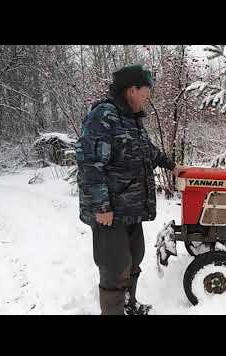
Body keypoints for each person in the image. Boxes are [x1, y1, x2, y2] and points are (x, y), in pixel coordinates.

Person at [75, 64, 185, 315]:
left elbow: (147, 149)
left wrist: (172, 166)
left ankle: (129, 306)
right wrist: (102, 207)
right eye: (147, 91)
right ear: (132, 89)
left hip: (131, 207)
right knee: (115, 267)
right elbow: (90, 164)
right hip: (111, 211)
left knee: (134, 258)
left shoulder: (132, 118)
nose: (149, 96)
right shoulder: (104, 116)